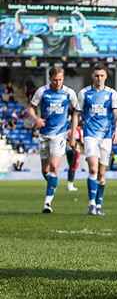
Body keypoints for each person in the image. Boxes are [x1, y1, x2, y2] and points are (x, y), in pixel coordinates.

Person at [27, 66, 79, 213]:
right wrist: (36, 119)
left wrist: (73, 129)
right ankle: (53, 183)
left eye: (60, 80)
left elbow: (78, 111)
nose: (58, 83)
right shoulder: (42, 91)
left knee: (54, 166)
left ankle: (47, 203)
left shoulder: (69, 93)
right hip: (44, 134)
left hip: (59, 135)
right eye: (55, 80)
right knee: (45, 170)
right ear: (50, 79)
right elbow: (31, 108)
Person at [74, 63, 117, 215]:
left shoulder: (112, 93)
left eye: (102, 76)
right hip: (90, 135)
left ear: (106, 76)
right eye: (96, 76)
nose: (99, 78)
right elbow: (76, 114)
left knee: (101, 174)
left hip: (106, 137)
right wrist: (74, 133)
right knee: (93, 168)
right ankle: (92, 204)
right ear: (92, 77)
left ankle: (99, 204)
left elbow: (116, 114)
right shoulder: (84, 93)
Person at [65, 123, 82, 192]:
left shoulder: (69, 130)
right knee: (73, 167)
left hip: (68, 149)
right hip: (75, 150)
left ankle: (69, 183)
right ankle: (70, 184)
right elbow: (82, 140)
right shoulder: (80, 130)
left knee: (71, 167)